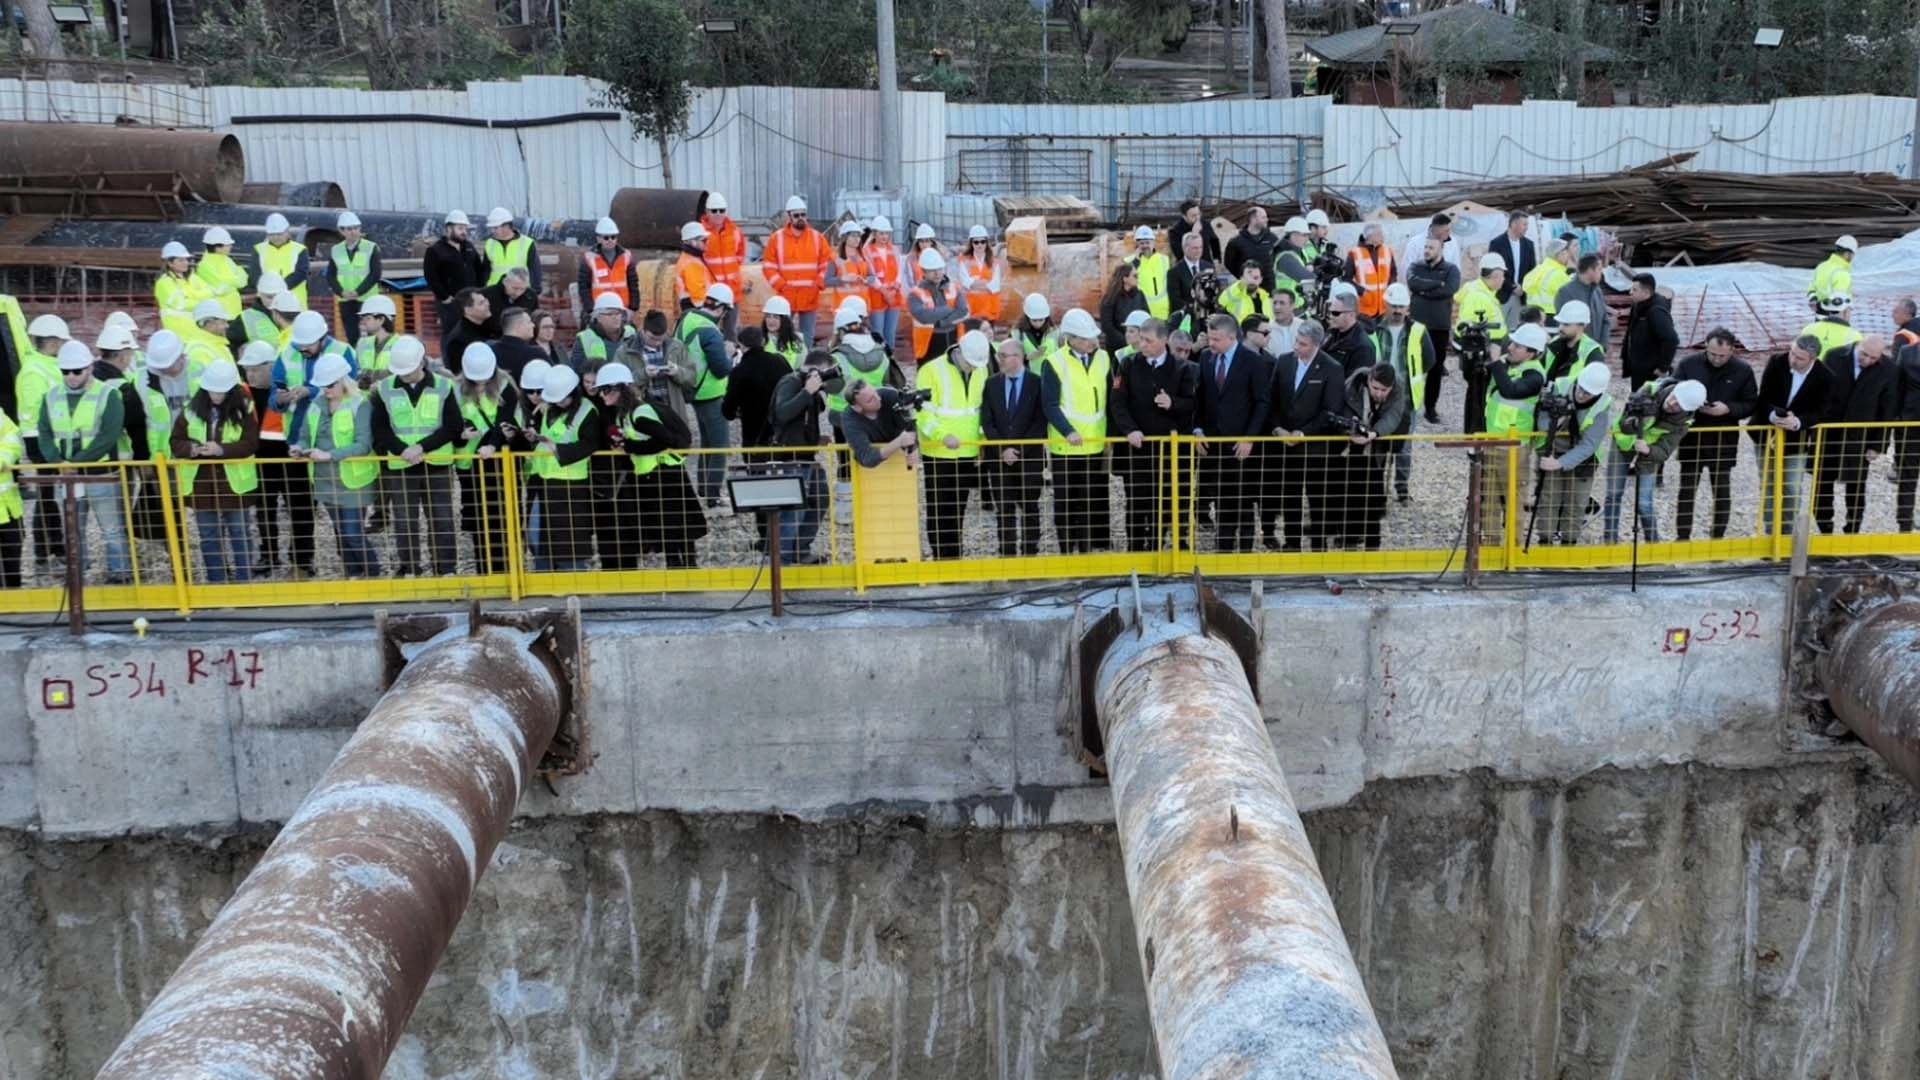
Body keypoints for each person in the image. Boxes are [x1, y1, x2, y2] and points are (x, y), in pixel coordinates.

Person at [268, 311, 354, 578]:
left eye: (307, 344)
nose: (302, 348)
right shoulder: (287, 353)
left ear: (322, 337)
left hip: (334, 443)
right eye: (300, 344)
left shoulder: (343, 351)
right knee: (300, 507)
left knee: (341, 509)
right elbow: (274, 394)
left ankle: (351, 564)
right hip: (298, 442)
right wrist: (280, 399)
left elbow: (352, 389)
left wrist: (310, 390)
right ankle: (301, 564)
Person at [40, 341, 131, 583]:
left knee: (111, 530)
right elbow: (44, 433)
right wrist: (57, 461)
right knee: (72, 531)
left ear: (89, 368)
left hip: (100, 474)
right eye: (65, 371)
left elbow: (108, 435)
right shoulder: (50, 396)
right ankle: (76, 576)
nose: (70, 376)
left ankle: (120, 575)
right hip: (67, 474)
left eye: (77, 371)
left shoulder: (108, 395)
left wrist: (74, 462)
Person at [599, 362, 705, 569]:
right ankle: (678, 566)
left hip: (663, 474)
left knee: (676, 525)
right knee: (669, 525)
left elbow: (664, 440)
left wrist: (628, 447)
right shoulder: (627, 413)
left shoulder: (640, 413)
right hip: (653, 475)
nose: (601, 395)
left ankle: (687, 566)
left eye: (604, 390)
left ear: (618, 389)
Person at [370, 335, 461, 576]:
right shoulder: (384, 389)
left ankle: (445, 567)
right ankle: (410, 567)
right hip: (400, 464)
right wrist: (402, 450)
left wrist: (420, 447)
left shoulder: (444, 386)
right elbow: (379, 429)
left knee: (442, 518)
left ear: (422, 363)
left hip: (436, 464)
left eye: (408, 371)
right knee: (404, 521)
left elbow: (453, 426)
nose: (404, 375)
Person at [1108, 317, 1195, 552]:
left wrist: (1173, 403)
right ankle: (1136, 550)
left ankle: (1158, 547)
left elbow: (1192, 404)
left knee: (1165, 501)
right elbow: (1117, 402)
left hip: (1168, 450)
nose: (1143, 345)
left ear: (1164, 340)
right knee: (1136, 502)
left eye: (1149, 340)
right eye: (1142, 340)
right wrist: (1130, 429)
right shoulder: (1128, 364)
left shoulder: (1182, 368)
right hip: (1137, 448)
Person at [292, 353, 381, 578]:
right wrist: (300, 447)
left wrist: (329, 455)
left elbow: (363, 444)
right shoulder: (316, 405)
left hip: (353, 481)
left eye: (330, 385)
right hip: (324, 479)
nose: (325, 389)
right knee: (342, 533)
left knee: (353, 533)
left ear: (343, 381)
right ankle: (354, 575)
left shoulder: (360, 404)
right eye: (322, 385)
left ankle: (373, 575)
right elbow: (304, 435)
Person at [170, 358, 258, 584]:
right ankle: (216, 582)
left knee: (240, 533)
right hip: (202, 485)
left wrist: (221, 450)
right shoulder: (190, 410)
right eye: (213, 391)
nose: (217, 396)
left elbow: (250, 444)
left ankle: (245, 581)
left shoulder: (245, 409)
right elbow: (176, 442)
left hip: (234, 485)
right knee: (208, 536)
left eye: (221, 392)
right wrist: (192, 449)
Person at [1672, 328, 1758, 540]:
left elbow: (1751, 403)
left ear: (1732, 350)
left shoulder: (1743, 370)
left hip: (1723, 437)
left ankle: (1718, 535)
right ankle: (1682, 536)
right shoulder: (1688, 364)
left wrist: (1728, 409)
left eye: (1722, 355)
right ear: (1705, 346)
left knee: (1721, 490)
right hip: (1692, 435)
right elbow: (1673, 390)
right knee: (1687, 489)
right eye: (1712, 354)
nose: (1717, 359)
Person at [1261, 319, 1338, 552]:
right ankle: (1292, 543)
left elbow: (1331, 410)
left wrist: (1304, 433)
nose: (1297, 347)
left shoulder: (1331, 368)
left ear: (1316, 345)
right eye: (1296, 341)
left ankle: (1318, 547)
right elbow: (1271, 400)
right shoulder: (1284, 362)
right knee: (1289, 496)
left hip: (1314, 447)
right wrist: (1277, 429)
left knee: (1317, 500)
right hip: (1285, 444)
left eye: (1303, 344)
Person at [1041, 308, 1113, 553]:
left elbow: (1109, 398)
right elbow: (1050, 405)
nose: (1092, 341)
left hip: (1094, 443)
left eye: (1093, 336)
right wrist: (1068, 431)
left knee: (1088, 501)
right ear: (1070, 339)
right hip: (1066, 447)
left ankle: (1085, 549)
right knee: (1065, 502)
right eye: (1085, 338)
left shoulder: (1103, 358)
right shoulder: (1054, 363)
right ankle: (1066, 549)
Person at [1603, 377, 1704, 543]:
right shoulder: (1649, 391)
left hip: (1649, 454)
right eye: (1674, 397)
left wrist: (1648, 450)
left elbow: (1664, 451)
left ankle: (1652, 543)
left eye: (1678, 405)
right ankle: (1610, 541)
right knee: (1613, 494)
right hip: (1623, 443)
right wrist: (1637, 423)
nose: (1672, 403)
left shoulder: (1683, 423)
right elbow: (1623, 424)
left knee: (1644, 503)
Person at [1748, 335, 1832, 535]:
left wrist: (1798, 422)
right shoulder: (1777, 362)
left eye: (1799, 357)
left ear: (1813, 359)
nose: (1793, 359)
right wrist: (1772, 415)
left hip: (1797, 439)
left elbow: (1821, 411)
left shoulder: (1825, 376)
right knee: (1768, 485)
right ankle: (1771, 533)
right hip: (1766, 434)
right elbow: (1763, 396)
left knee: (1792, 488)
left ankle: (1787, 534)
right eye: (1792, 353)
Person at [916, 329, 989, 559]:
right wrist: (942, 436)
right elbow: (922, 413)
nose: (973, 368)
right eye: (970, 363)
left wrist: (982, 442)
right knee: (939, 509)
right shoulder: (930, 370)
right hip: (938, 452)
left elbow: (979, 410)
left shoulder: (981, 369)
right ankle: (941, 557)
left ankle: (954, 557)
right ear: (959, 352)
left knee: (958, 509)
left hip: (967, 450)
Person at [1814, 334, 1894, 535]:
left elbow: (1886, 410)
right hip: (1829, 433)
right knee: (1822, 483)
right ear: (1858, 346)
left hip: (1860, 438)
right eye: (1864, 354)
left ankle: (1852, 529)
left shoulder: (1888, 369)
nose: (1867, 360)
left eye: (1873, 358)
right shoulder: (1834, 356)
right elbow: (1820, 392)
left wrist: (1878, 445)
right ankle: (1824, 528)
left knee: (1856, 486)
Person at [764, 350, 837, 563]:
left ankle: (800, 548)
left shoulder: (809, 384)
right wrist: (807, 392)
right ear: (816, 368)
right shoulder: (791, 382)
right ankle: (782, 561)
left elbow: (803, 419)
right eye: (826, 372)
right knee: (792, 509)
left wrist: (816, 438)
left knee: (820, 499)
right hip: (789, 456)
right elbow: (782, 414)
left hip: (806, 454)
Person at [452, 342, 519, 575]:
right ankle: (484, 570)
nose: (480, 384)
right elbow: (451, 421)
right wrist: (460, 433)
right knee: (477, 520)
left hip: (497, 461)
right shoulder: (455, 389)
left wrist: (493, 444)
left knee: (499, 518)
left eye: (484, 379)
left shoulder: (505, 386)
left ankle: (504, 571)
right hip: (468, 463)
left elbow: (505, 418)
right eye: (476, 380)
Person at [1479, 322, 1550, 538]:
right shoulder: (1510, 365)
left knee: (1514, 500)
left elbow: (1510, 390)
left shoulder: (1534, 376)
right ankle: (1490, 544)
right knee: (1489, 500)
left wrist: (1495, 363)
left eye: (1517, 346)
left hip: (1514, 447)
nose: (1510, 347)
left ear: (1531, 353)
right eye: (1512, 343)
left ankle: (1514, 546)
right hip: (1493, 440)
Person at [1533, 363, 1616, 545]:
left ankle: (1569, 542)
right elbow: (1542, 425)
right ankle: (1545, 541)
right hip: (1551, 450)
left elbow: (1589, 444)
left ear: (1598, 393)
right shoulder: (1559, 386)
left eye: (1588, 393)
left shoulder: (1602, 406)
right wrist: (1559, 419)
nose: (1581, 395)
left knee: (1577, 502)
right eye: (1580, 388)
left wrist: (1561, 463)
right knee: (1548, 499)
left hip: (1583, 460)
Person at [981, 336, 1048, 556]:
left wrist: (1018, 450)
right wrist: (1003, 450)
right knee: (1004, 509)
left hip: (1029, 458)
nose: (999, 359)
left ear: (1018, 357)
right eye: (998, 355)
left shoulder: (1037, 383)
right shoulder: (991, 384)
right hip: (999, 460)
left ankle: (1029, 552)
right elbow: (987, 421)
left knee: (1030, 506)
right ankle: (1007, 554)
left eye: (1003, 356)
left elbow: (1040, 422)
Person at [527, 364, 598, 570]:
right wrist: (534, 438)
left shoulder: (587, 412)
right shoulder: (548, 408)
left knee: (569, 542)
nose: (558, 402)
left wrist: (557, 449)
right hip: (543, 480)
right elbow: (547, 435)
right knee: (540, 536)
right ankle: (545, 576)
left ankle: (573, 577)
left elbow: (589, 444)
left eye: (562, 399)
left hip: (571, 484)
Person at [1330, 363, 1407, 549]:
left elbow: (1393, 417)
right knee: (1348, 496)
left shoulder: (1399, 388)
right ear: (1368, 380)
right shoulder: (1353, 384)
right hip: (1349, 449)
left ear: (1391, 387)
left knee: (1373, 500)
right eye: (1375, 388)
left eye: (1384, 390)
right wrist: (1350, 429)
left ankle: (1372, 547)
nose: (1379, 394)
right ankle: (1349, 539)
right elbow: (1341, 407)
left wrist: (1374, 433)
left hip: (1376, 450)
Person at [677, 284, 735, 505]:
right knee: (719, 447)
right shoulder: (710, 331)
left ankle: (703, 488)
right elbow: (721, 369)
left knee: (707, 443)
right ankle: (713, 496)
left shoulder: (688, 318)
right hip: (710, 393)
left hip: (692, 391)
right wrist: (731, 356)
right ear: (721, 309)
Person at [1376, 284, 1432, 503]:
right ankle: (1376, 487)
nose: (1397, 310)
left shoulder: (1418, 330)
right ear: (1385, 305)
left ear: (1408, 308)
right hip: (1378, 397)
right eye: (1394, 306)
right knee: (1378, 443)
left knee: (1404, 447)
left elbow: (1429, 360)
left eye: (1401, 306)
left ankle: (1402, 487)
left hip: (1407, 398)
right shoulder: (1375, 328)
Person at [1406, 236, 1459, 425]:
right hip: (1416, 327)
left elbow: (1449, 289)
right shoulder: (1415, 266)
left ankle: (1430, 408)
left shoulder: (1451, 270)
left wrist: (1423, 290)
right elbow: (1413, 284)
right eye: (1426, 247)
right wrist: (1437, 283)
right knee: (1412, 366)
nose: (1427, 250)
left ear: (1441, 250)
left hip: (1439, 327)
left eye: (1431, 247)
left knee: (1435, 369)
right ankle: (1408, 405)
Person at [764, 196, 832, 344]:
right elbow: (769, 266)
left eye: (803, 214)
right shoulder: (776, 238)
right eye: (796, 215)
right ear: (789, 217)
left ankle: (805, 358)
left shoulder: (817, 238)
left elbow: (826, 263)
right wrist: (781, 285)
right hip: (786, 295)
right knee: (783, 333)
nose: (801, 218)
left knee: (807, 335)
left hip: (810, 294)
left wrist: (818, 282)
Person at [1455, 253, 1511, 434]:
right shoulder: (1478, 296)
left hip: (1486, 351)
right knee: (1478, 395)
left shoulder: (1483, 292)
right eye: (1502, 276)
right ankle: (1475, 431)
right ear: (1495, 276)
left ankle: (1476, 430)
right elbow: (1468, 331)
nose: (1503, 280)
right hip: (1482, 354)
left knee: (1478, 395)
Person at [723, 326, 790, 448]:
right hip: (782, 429)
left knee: (754, 459)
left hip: (753, 432)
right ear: (763, 341)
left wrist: (735, 412)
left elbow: (728, 410)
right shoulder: (779, 361)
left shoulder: (739, 371)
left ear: (741, 345)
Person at [425, 210, 486, 332]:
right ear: (449, 229)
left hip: (471, 300)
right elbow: (431, 276)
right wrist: (445, 297)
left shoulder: (469, 247)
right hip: (450, 303)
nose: (464, 232)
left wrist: (479, 291)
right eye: (460, 228)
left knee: (473, 332)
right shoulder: (435, 250)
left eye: (465, 228)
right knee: (452, 333)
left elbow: (479, 269)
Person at [326, 211, 383, 342]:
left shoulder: (370, 247)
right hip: (345, 299)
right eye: (349, 229)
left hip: (367, 298)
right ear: (342, 231)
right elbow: (330, 275)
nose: (353, 232)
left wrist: (358, 291)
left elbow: (375, 274)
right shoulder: (336, 250)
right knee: (351, 334)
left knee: (372, 334)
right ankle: (355, 354)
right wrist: (341, 292)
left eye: (356, 228)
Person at [908, 249, 968, 362]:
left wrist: (941, 322)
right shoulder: (915, 293)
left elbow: (963, 311)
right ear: (924, 271)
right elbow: (924, 317)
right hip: (928, 344)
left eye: (939, 269)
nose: (937, 273)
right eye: (932, 270)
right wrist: (949, 309)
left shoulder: (954, 287)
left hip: (953, 339)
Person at [842, 379, 917, 469]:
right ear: (857, 408)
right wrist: (899, 442)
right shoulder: (850, 419)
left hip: (902, 463)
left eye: (875, 393)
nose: (878, 398)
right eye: (870, 400)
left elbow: (909, 426)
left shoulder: (890, 395)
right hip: (869, 472)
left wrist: (913, 448)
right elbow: (867, 458)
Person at [700, 194, 746, 338]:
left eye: (722, 210)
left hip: (732, 291)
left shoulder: (735, 231)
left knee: (730, 331)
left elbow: (740, 255)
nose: (718, 214)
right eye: (714, 211)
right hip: (710, 293)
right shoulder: (701, 234)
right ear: (707, 212)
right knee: (708, 329)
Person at [1621, 273, 1678, 388]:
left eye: (1634, 290)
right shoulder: (1638, 306)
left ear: (1646, 292)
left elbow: (1671, 339)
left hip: (1650, 372)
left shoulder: (1656, 311)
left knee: (1646, 398)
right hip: (1638, 368)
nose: (1630, 292)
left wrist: (1663, 368)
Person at [577, 217, 638, 322]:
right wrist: (590, 310)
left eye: (613, 237)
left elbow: (633, 285)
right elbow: (584, 288)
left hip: (622, 311)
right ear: (598, 238)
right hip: (600, 312)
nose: (610, 240)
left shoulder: (626, 257)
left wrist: (632, 308)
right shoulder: (589, 259)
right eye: (606, 237)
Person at [862, 216, 906, 354]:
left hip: (894, 296)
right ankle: (879, 357)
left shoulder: (894, 249)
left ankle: (890, 357)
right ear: (874, 233)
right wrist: (884, 291)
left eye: (887, 233)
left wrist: (894, 289)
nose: (884, 236)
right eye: (881, 233)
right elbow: (870, 274)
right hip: (877, 296)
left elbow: (900, 271)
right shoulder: (867, 250)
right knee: (878, 332)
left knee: (890, 332)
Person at [1894, 302, 1920, 530]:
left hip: (1909, 422)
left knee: (1908, 476)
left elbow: (1898, 390)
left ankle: (1904, 524)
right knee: (1907, 475)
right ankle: (1904, 522)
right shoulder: (1907, 352)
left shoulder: (1907, 353)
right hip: (1909, 423)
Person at [1488, 211, 1537, 328]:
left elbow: (1532, 270)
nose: (1527, 228)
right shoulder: (1497, 243)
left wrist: (1523, 287)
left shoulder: (1528, 244)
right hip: (1502, 294)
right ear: (1514, 224)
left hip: (1520, 296)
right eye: (1524, 224)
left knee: (1515, 329)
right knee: (1497, 329)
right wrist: (1512, 287)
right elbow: (1493, 270)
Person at [1341, 223, 1397, 320]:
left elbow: (1393, 273)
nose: (1383, 236)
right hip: (1364, 308)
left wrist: (1391, 287)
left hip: (1384, 307)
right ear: (1370, 237)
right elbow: (1346, 279)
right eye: (1379, 234)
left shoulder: (1388, 251)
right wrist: (1362, 292)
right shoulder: (1354, 253)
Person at [1554, 255, 1612, 348]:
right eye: (1599, 269)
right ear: (1590, 270)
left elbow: (1605, 321)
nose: (1601, 273)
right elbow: (1565, 326)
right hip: (1574, 351)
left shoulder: (1597, 291)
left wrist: (1602, 346)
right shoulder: (1565, 292)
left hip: (1595, 350)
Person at [1167, 230, 1218, 334]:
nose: (1198, 251)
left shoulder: (1209, 267)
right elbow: (1175, 300)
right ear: (1185, 248)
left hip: (1207, 319)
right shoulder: (1174, 272)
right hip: (1187, 320)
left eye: (1200, 247)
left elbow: (1214, 293)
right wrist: (1196, 310)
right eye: (1195, 248)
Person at [255, 213, 310, 306]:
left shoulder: (300, 249)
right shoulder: (259, 249)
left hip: (294, 303)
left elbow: (301, 273)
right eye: (272, 234)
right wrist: (269, 291)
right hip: (266, 302)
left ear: (287, 232)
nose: (276, 237)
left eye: (279, 234)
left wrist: (278, 289)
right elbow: (255, 274)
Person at [1543, 301, 1604, 384]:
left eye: (1566, 324)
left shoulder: (1592, 352)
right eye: (1560, 323)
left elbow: (1593, 384)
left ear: (1581, 325)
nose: (1560, 328)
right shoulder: (1553, 343)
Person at [571, 293, 634, 373]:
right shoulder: (584, 338)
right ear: (598, 317)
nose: (616, 317)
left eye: (618, 313)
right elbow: (578, 370)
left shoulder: (631, 333)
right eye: (610, 314)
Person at [194, 226, 247, 319]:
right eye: (228, 244)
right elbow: (220, 288)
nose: (231, 246)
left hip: (234, 310)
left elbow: (243, 280)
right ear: (218, 247)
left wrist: (230, 282)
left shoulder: (227, 260)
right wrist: (235, 281)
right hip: (218, 314)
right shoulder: (204, 265)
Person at [826, 222, 876, 320]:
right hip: (843, 307)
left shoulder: (863, 256)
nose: (857, 239)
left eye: (858, 236)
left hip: (861, 306)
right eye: (853, 236)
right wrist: (843, 279)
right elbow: (827, 281)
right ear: (845, 237)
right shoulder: (835, 257)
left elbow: (872, 277)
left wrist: (866, 280)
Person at [481, 207, 539, 292]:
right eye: (491, 228)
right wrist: (484, 289)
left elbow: (534, 270)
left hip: (519, 291)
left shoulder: (527, 243)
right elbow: (486, 270)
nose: (492, 231)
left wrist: (535, 291)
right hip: (495, 291)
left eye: (495, 228)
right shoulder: (489, 243)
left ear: (506, 226)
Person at [958, 226, 1007, 323]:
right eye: (976, 242)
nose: (979, 245)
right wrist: (985, 283)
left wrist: (975, 284)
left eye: (982, 241)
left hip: (990, 310)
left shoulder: (994, 261)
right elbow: (965, 283)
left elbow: (995, 286)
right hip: (972, 310)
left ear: (986, 242)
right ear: (971, 243)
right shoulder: (964, 260)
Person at [1097, 263, 1148, 355]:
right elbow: (1107, 325)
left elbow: (1146, 318)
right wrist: (1125, 340)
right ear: (1125, 278)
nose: (1138, 278)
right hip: (1117, 347)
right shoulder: (1110, 298)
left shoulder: (1140, 295)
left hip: (1138, 346)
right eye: (1135, 276)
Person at [1321, 294, 1376, 377]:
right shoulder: (1331, 333)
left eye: (1335, 313)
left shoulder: (1363, 347)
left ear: (1351, 315)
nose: (1330, 316)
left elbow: (1355, 382)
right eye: (1329, 312)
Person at [439, 287, 493, 372]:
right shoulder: (460, 339)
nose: (487, 304)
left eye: (486, 300)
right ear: (467, 310)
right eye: (481, 303)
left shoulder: (486, 325)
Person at [155, 242, 202, 339]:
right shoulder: (164, 283)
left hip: (195, 331)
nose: (186, 263)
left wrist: (191, 296)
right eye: (180, 260)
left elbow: (210, 293)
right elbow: (181, 304)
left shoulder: (191, 278)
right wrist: (201, 300)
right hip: (178, 334)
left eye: (186, 259)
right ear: (169, 263)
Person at [1397, 213, 1460, 285]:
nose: (1449, 233)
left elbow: (1456, 268)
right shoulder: (1415, 243)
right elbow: (1406, 270)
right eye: (1446, 230)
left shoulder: (1452, 242)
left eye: (1449, 229)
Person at [1223, 206, 1280, 285]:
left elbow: (1279, 257)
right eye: (1263, 217)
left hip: (1269, 285)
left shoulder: (1272, 238)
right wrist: (1243, 276)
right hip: (1248, 285)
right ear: (1253, 219)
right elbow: (1229, 263)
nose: (1267, 220)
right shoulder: (1236, 241)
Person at [1124, 225, 1169, 321]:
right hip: (1141, 312)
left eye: (1147, 242)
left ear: (1153, 243)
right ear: (1137, 244)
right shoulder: (1129, 262)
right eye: (1142, 243)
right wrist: (1136, 260)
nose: (1145, 246)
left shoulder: (1164, 260)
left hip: (1163, 312)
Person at [352, 294, 399, 384]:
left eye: (368, 318)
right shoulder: (362, 343)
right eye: (363, 318)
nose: (363, 322)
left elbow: (398, 375)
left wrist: (370, 377)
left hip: (386, 392)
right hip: (364, 393)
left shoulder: (400, 345)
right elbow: (355, 371)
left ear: (381, 320)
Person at [0, 404, 22, 588]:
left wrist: (2, 460)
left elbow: (13, 441)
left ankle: (15, 595)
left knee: (13, 556)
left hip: (8, 507)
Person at [1522, 238, 1574, 317]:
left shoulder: (1536, 271)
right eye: (1567, 253)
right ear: (1559, 254)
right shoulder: (1559, 275)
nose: (1569, 256)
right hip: (1552, 315)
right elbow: (1571, 299)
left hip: (1533, 316)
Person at [482, 267, 539, 338]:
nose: (518, 293)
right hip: (492, 338)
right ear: (505, 281)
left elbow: (535, 319)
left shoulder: (531, 296)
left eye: (522, 289)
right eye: (515, 288)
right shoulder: (487, 294)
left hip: (522, 340)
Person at [1808, 235, 1858, 311]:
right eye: (1853, 255)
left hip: (1819, 314)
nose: (1852, 257)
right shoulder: (1842, 273)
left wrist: (1814, 300)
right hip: (1835, 316)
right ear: (1847, 254)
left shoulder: (1821, 266)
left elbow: (1812, 288)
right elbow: (1839, 303)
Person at [1169, 198, 1221, 264]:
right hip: (1187, 267)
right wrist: (1194, 234)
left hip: (1206, 264)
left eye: (1198, 214)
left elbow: (1214, 240)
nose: (1197, 218)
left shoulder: (1205, 224)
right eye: (1193, 216)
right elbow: (1179, 254)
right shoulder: (1174, 231)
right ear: (1184, 216)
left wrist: (1217, 258)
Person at [674, 221, 712, 310]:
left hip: (694, 307)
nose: (707, 243)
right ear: (692, 242)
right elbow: (698, 294)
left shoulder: (692, 258)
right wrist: (709, 309)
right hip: (698, 308)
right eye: (704, 240)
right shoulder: (691, 263)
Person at [1016, 294, 1059, 368]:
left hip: (1050, 373)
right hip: (1028, 374)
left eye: (1041, 320)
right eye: (1034, 320)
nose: (1038, 324)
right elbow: (1011, 357)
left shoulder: (1055, 332)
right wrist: (1027, 357)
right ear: (1027, 317)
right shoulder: (1017, 333)